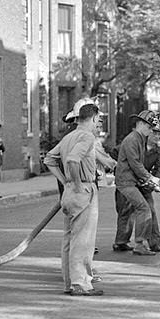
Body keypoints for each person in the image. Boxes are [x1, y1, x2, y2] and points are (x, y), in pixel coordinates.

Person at [44, 102, 104, 296]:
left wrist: (65, 181)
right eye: (99, 121)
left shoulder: (69, 136)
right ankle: (81, 283)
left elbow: (49, 159)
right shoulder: (87, 136)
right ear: (93, 118)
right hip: (83, 189)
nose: (98, 125)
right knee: (83, 240)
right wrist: (78, 184)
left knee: (69, 239)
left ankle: (70, 283)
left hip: (69, 192)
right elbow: (72, 159)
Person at [115, 111, 160, 253]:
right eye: (150, 128)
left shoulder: (139, 139)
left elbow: (156, 167)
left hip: (134, 182)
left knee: (145, 209)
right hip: (127, 183)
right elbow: (136, 164)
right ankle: (139, 244)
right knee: (143, 209)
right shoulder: (133, 140)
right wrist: (149, 178)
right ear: (142, 124)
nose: (152, 132)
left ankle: (149, 243)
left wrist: (150, 180)